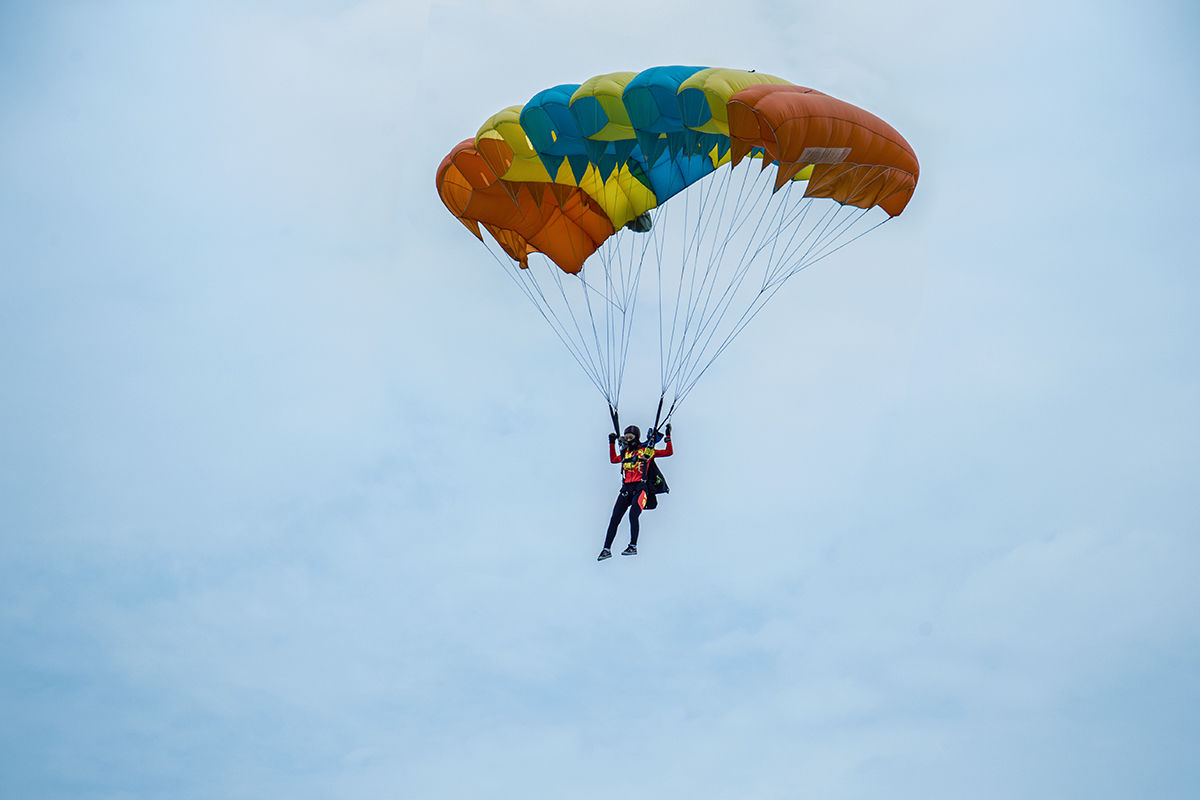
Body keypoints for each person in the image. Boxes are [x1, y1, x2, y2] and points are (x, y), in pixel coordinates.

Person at [597, 422, 673, 561]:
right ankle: (606, 549)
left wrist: (668, 436)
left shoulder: (646, 451)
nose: (628, 440)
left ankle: (633, 546)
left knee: (633, 515)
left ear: (636, 437)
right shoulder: (625, 453)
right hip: (626, 489)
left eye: (630, 437)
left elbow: (668, 452)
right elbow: (614, 460)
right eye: (626, 437)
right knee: (614, 519)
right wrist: (611, 443)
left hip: (640, 488)